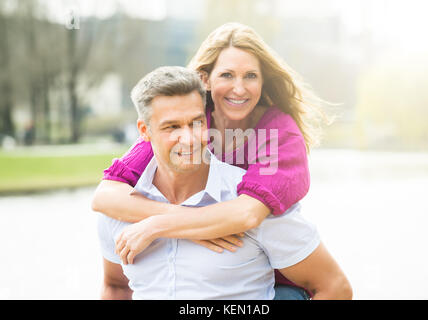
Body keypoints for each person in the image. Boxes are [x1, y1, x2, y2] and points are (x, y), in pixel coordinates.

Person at [92, 22, 329, 299]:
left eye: (250, 76)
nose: (239, 89)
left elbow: (248, 214)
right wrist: (187, 226)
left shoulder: (277, 134)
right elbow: (106, 196)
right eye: (227, 75)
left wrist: (159, 226)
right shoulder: (186, 122)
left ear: (263, 80)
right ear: (206, 79)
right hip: (211, 270)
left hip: (279, 278)